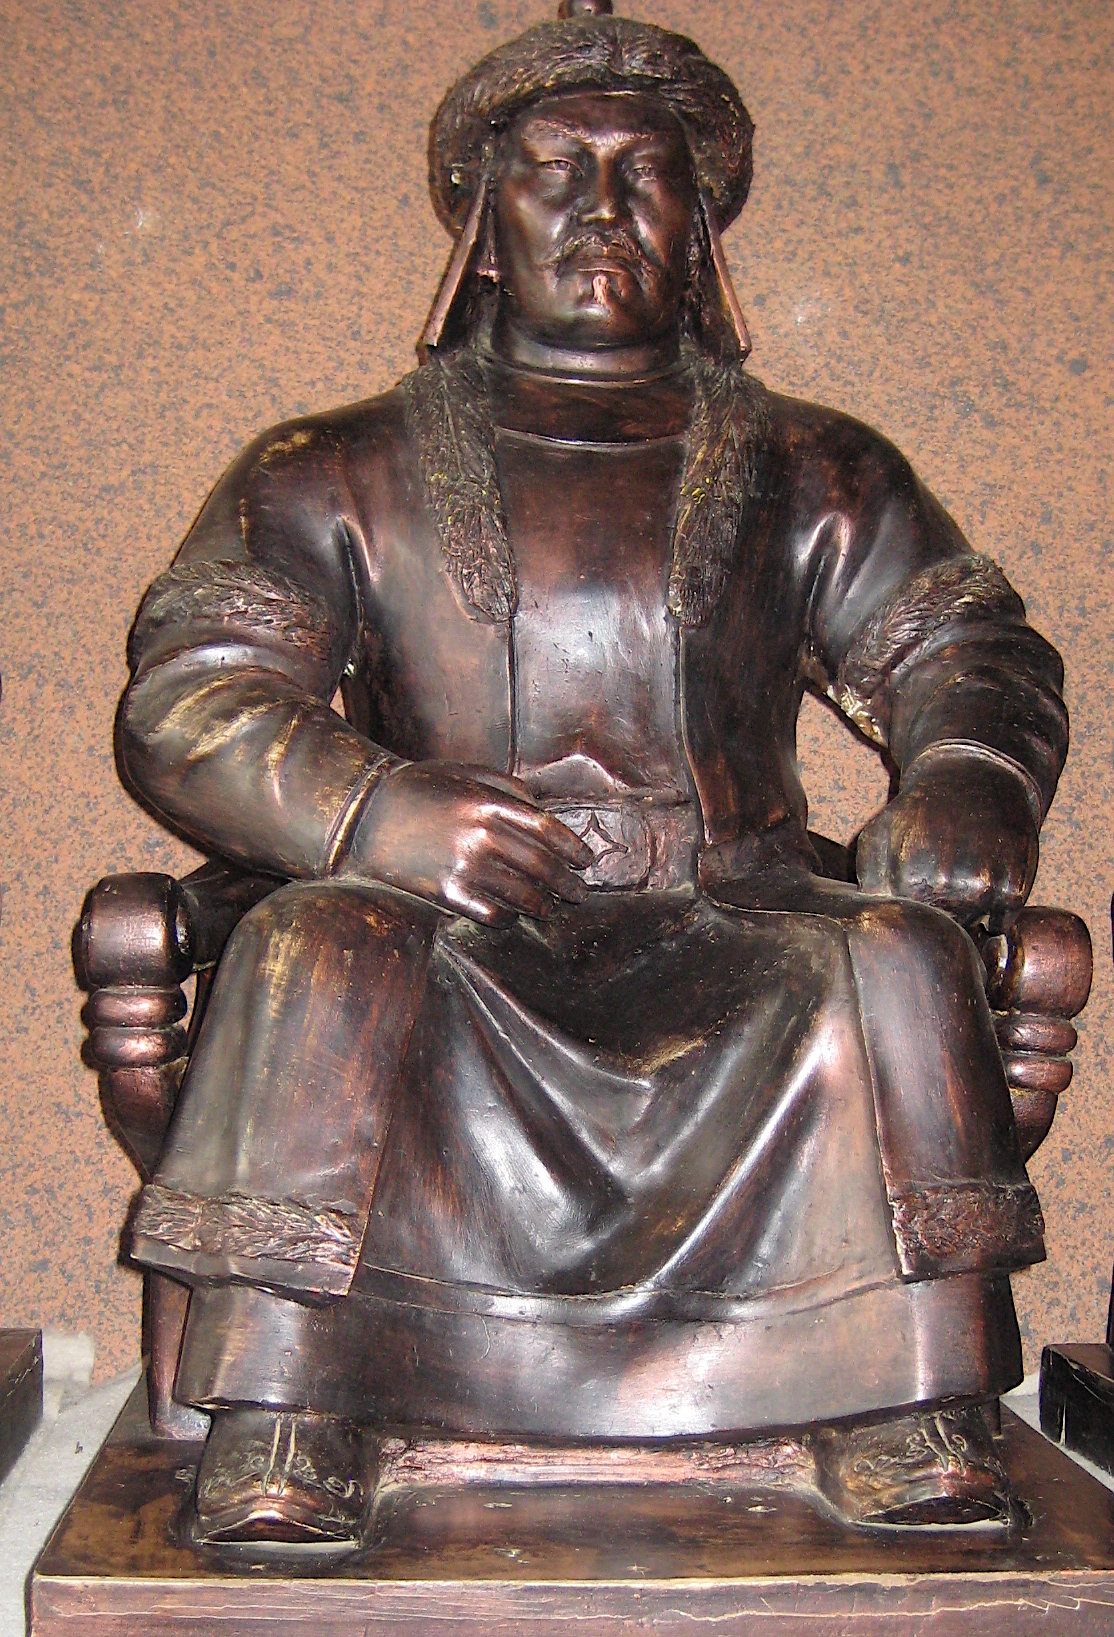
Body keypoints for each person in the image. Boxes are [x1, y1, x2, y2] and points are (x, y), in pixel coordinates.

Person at [120, 0, 1067, 1545]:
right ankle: (299, 1402)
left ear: (701, 224)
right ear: (482, 224)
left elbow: (964, 645)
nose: (601, 208)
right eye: (555, 168)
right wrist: (367, 806)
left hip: (738, 913)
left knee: (890, 959)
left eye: (645, 174)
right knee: (317, 946)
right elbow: (195, 694)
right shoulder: (331, 466)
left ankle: (894, 1394)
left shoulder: (815, 467)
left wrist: (965, 769)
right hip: (444, 922)